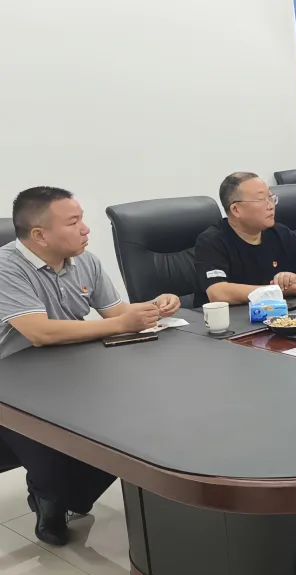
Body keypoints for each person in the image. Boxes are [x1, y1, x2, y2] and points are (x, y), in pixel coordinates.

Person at [0, 186, 182, 546]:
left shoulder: (85, 261)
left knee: (132, 424)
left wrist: (155, 306)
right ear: (40, 235)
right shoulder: (7, 268)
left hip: (74, 367)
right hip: (14, 382)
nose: (85, 229)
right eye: (73, 222)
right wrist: (121, 324)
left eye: (81, 219)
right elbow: (39, 332)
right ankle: (49, 495)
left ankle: (63, 496)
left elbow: (116, 313)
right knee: (54, 452)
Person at [193, 172, 296, 307]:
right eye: (261, 200)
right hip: (233, 319)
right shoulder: (212, 240)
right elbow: (218, 293)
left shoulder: (279, 232)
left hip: (279, 314)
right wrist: (276, 291)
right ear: (236, 210)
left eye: (271, 198)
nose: (271, 206)